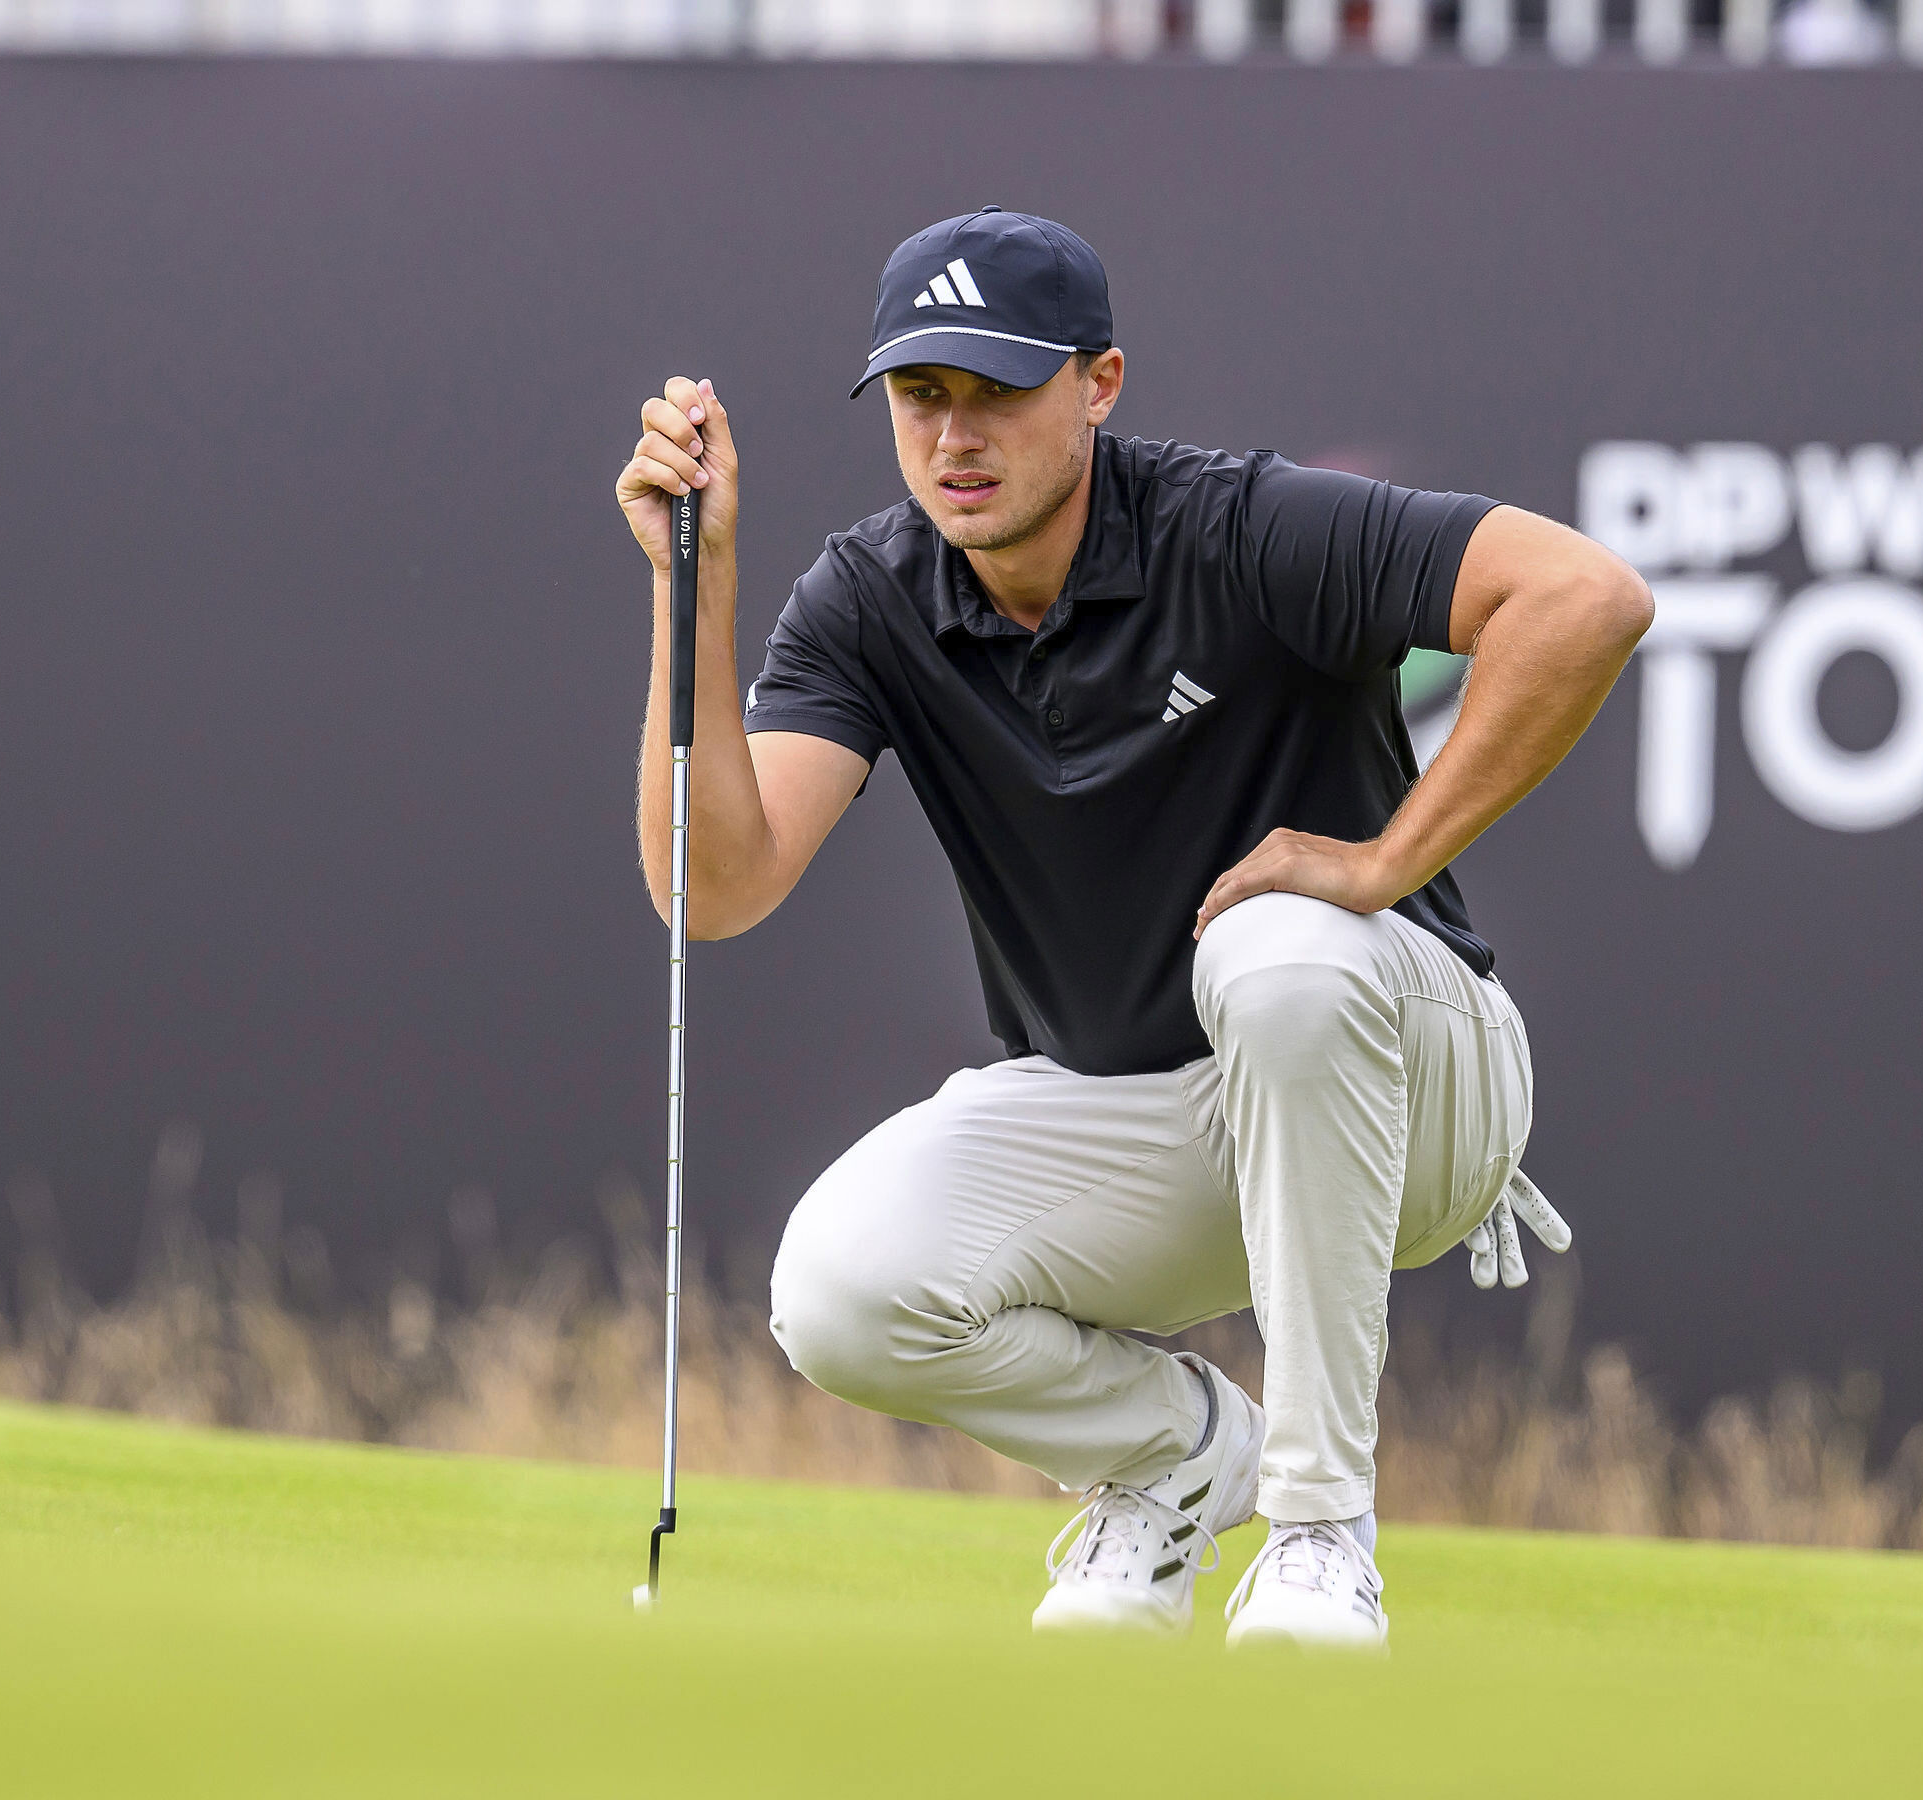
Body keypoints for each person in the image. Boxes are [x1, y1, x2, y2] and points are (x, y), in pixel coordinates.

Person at [613, 209, 1650, 1651]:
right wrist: (696, 583)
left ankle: (1317, 1529)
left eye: (999, 392)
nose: (955, 435)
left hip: (1416, 1089)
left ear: (1099, 385)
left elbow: (1586, 597)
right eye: (923, 396)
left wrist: (1386, 859)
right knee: (842, 1286)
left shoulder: (1240, 527)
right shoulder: (870, 598)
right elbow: (713, 888)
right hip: (1159, 1114)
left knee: (1277, 950)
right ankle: (1171, 1461)